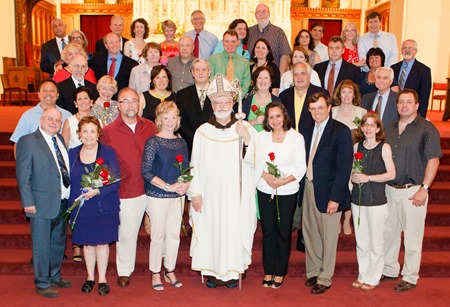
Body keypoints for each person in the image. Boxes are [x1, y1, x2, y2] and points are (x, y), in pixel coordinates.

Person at [189, 73, 257, 288]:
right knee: (211, 230)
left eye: (226, 101)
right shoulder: (202, 131)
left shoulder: (244, 128)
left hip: (235, 195)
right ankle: (212, 273)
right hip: (209, 195)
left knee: (233, 230)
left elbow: (256, 159)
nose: (222, 105)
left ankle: (233, 271)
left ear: (232, 103)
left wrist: (246, 138)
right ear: (212, 104)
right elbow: (194, 164)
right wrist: (195, 193)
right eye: (217, 101)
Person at [382, 89, 442, 292]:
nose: (404, 105)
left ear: (417, 105)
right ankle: (390, 270)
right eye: (401, 102)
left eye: (409, 102)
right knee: (389, 234)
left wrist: (425, 188)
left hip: (413, 190)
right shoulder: (388, 128)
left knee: (412, 237)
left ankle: (410, 275)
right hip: (390, 190)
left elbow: (433, 160)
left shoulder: (427, 129)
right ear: (396, 105)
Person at [101, 87, 157, 288]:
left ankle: (161, 269)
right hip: (127, 190)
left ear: (139, 104)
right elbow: (103, 162)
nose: (130, 105)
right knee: (126, 233)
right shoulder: (108, 132)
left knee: (160, 232)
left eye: (134, 100)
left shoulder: (150, 126)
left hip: (154, 189)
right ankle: (124, 271)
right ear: (118, 105)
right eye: (125, 101)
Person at [16, 107, 72, 298]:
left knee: (58, 243)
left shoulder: (60, 140)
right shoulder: (28, 141)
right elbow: (24, 175)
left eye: (57, 120)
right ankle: (42, 282)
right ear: (41, 119)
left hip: (62, 202)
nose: (54, 123)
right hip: (40, 204)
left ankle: (55, 275)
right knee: (41, 245)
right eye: (50, 119)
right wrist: (27, 201)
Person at [301, 92, 353, 294]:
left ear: (329, 107)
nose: (316, 112)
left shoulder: (341, 131)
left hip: (330, 191)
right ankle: (313, 271)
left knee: (329, 236)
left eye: (320, 108)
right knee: (310, 232)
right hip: (308, 186)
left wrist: (335, 198)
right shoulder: (306, 128)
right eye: (312, 109)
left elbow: (344, 168)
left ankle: (325, 277)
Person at [256, 101, 306, 288]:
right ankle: (268, 271)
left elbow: (301, 167)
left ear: (284, 116)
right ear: (267, 120)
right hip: (265, 188)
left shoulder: (296, 137)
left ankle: (280, 272)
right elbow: (254, 161)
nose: (275, 120)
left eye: (278, 116)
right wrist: (266, 176)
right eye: (271, 117)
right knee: (268, 232)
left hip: (287, 190)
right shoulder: (261, 137)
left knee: (283, 232)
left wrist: (283, 181)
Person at [68, 116, 120, 295]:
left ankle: (103, 279)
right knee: (87, 245)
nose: (89, 135)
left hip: (103, 206)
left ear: (98, 133)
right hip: (81, 208)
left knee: (102, 244)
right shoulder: (72, 154)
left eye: (92, 131)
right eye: (85, 131)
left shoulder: (107, 152)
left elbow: (115, 181)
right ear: (79, 134)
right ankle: (90, 277)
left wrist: (97, 191)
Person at [142, 101, 189, 291]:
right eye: (166, 117)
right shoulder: (153, 142)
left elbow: (186, 168)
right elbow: (146, 171)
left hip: (177, 196)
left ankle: (169, 270)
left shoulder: (181, 142)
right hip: (157, 195)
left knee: (173, 235)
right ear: (159, 119)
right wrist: (168, 186)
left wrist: (185, 184)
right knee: (158, 235)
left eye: (173, 117)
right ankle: (155, 272)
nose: (170, 121)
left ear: (177, 119)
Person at [350, 112, 395, 291]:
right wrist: (352, 181)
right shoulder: (356, 147)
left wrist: (369, 178)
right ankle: (363, 274)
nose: (368, 128)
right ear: (361, 127)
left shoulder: (384, 147)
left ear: (377, 128)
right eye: (365, 124)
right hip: (358, 200)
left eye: (372, 125)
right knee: (361, 240)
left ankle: (373, 277)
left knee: (376, 241)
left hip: (376, 200)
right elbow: (352, 170)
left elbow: (392, 174)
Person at [332, 80, 367, 235]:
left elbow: (368, 134)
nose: (346, 95)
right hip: (336, 155)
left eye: (349, 92)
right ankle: (338, 217)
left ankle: (347, 219)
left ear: (354, 94)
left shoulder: (362, 112)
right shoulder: (332, 111)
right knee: (339, 186)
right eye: (343, 92)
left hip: (355, 154)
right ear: (339, 94)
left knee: (352, 187)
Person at [10, 79, 72, 157]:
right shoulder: (28, 116)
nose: (48, 93)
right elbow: (18, 144)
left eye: (52, 91)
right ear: (38, 94)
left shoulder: (67, 115)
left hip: (62, 164)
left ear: (57, 95)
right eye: (44, 90)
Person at [177, 58, 213, 154]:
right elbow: (181, 122)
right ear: (192, 73)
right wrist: (195, 138)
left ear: (209, 72)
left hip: (214, 143)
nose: (200, 73)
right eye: (197, 70)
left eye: (204, 69)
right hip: (190, 146)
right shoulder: (182, 95)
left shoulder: (217, 93)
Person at [280, 62, 329, 134]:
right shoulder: (283, 96)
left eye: (303, 73)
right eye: (296, 74)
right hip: (290, 142)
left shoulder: (321, 94)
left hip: (313, 141)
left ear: (309, 75)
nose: (299, 77)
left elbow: (327, 123)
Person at [89, 32, 138, 100]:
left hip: (121, 103)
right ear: (106, 45)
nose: (114, 45)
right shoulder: (96, 59)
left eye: (117, 42)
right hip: (100, 102)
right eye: (111, 43)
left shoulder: (132, 64)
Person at [391, 39, 431, 118]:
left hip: (412, 112)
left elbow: (424, 96)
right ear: (401, 50)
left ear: (415, 51)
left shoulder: (424, 70)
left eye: (410, 48)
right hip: (394, 110)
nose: (407, 50)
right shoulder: (393, 68)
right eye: (405, 48)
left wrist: (421, 117)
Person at [247, 3, 291, 74]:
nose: (261, 14)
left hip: (273, 75)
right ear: (255, 15)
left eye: (264, 12)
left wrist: (279, 76)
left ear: (269, 14)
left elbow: (285, 55)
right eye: (258, 12)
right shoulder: (249, 32)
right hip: (252, 75)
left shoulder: (278, 32)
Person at [209, 29, 251, 97]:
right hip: (216, 101)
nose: (230, 44)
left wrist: (236, 99)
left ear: (238, 42)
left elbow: (246, 85)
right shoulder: (213, 59)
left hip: (237, 102)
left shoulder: (244, 62)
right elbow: (210, 81)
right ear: (222, 42)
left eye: (233, 41)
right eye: (227, 41)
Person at [243, 66, 281, 132]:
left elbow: (281, 124)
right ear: (255, 82)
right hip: (251, 140)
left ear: (270, 82)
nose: (263, 81)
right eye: (260, 78)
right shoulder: (247, 101)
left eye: (266, 78)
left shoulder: (277, 101)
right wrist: (254, 122)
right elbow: (241, 125)